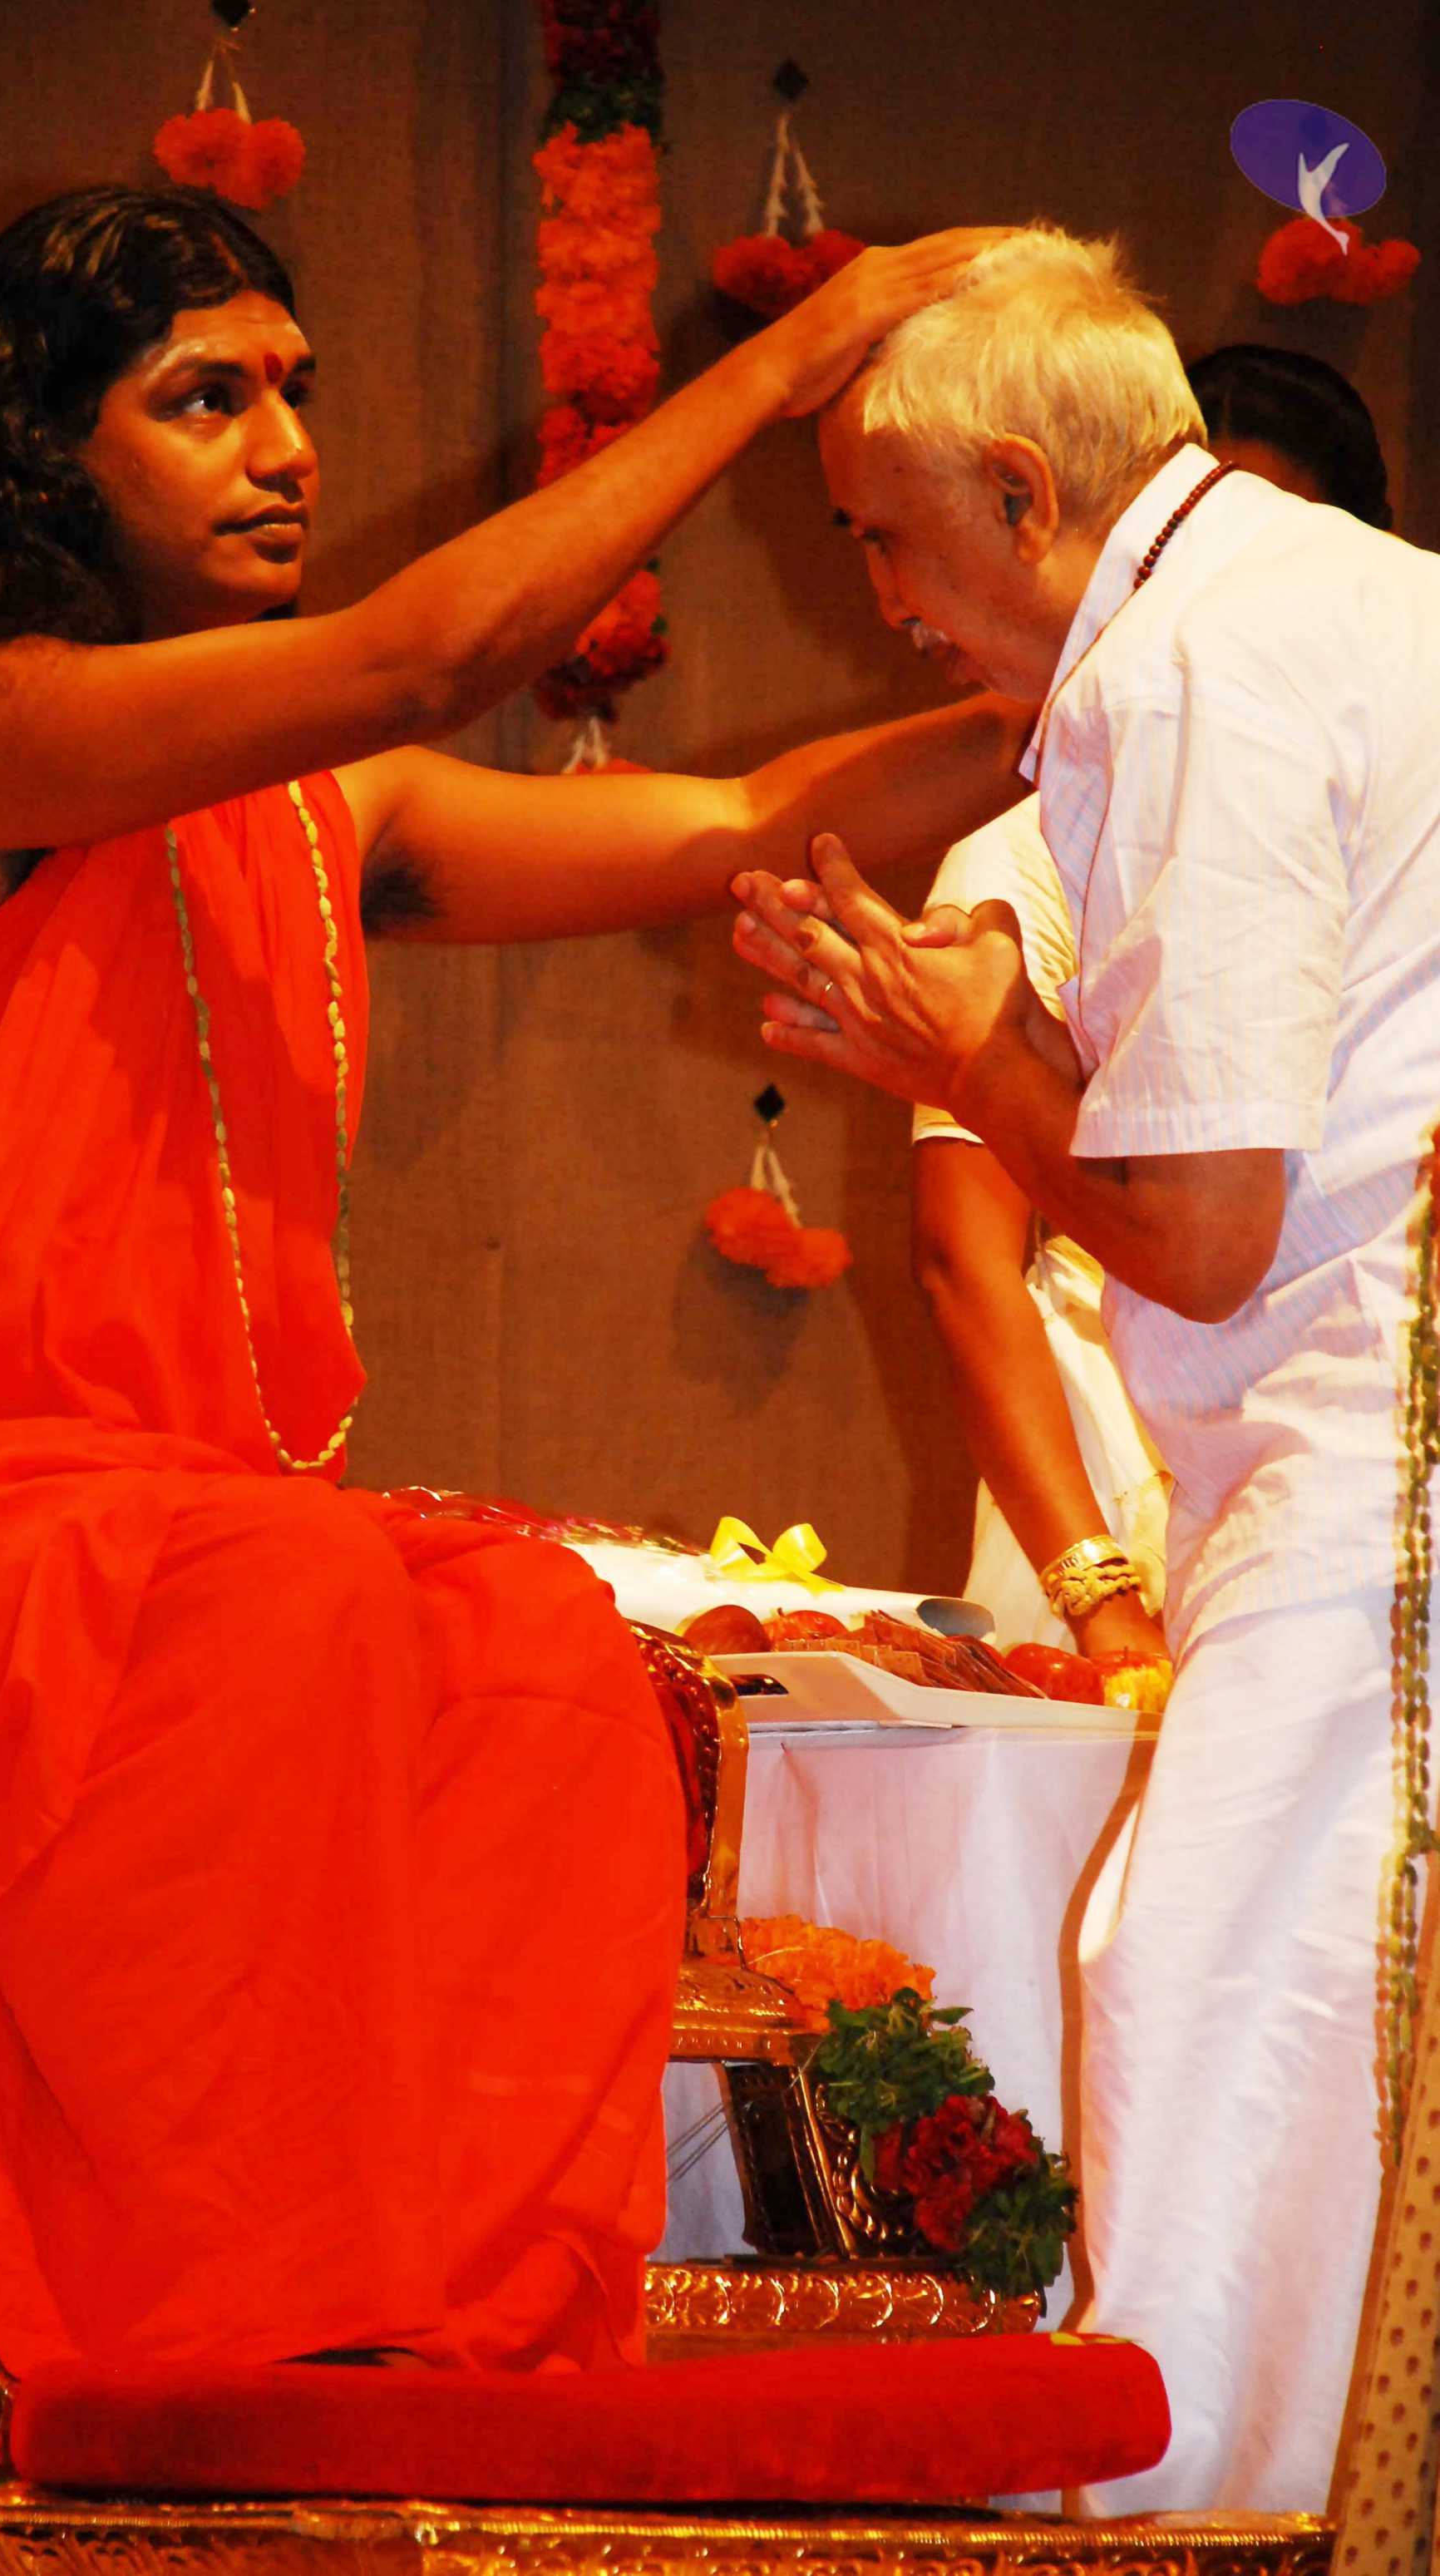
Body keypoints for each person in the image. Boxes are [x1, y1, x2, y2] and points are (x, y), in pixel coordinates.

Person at [0, 185, 1023, 2379]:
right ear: (49, 457)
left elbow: (743, 819)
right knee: (294, 1598)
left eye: (295, 392)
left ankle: (448, 2340)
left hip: (161, 1520)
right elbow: (424, 653)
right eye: (202, 400)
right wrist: (790, 362)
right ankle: (213, 2344)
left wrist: (1087, 667)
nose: (286, 448)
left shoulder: (329, 808)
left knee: (534, 1649)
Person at [732, 225, 1440, 2513]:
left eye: (881, 536)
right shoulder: (1349, 600)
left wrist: (973, 1057)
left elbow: (1208, 1238)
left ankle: (1228, 2528)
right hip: (1347, 1438)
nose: (875, 595)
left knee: (1208, 1994)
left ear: (1025, 497)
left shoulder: (1191, 663)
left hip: (1370, 1450)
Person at [910, 346, 1394, 1661]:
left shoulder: (1392, 814)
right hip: (1108, 1472)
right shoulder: (1019, 859)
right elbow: (967, 1261)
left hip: (1347, 1462)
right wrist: (1100, 1597)